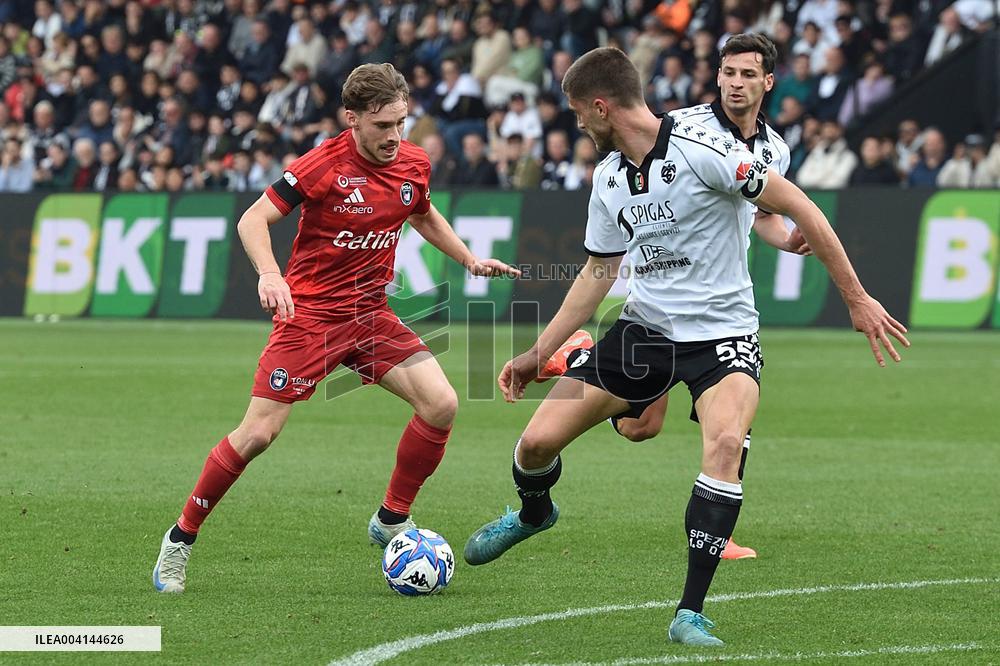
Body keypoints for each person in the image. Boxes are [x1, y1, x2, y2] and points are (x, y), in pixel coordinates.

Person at [463, 46, 908, 647]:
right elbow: (598, 273)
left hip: (724, 334)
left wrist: (855, 297)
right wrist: (533, 353)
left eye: (577, 114)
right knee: (535, 446)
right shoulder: (609, 176)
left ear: (601, 107)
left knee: (726, 444)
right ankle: (536, 512)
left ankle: (689, 612)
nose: (575, 126)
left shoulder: (707, 151)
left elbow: (797, 204)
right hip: (645, 330)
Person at [153, 63, 519, 594]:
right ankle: (179, 541)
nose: (395, 137)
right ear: (352, 119)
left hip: (371, 315)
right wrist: (271, 275)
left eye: (401, 122)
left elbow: (420, 212)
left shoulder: (413, 162)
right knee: (258, 433)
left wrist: (467, 259)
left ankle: (391, 518)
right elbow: (252, 220)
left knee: (442, 404)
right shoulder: (323, 164)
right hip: (312, 317)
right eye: (382, 126)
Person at [547, 34, 812, 562]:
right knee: (641, 428)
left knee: (731, 419)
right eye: (728, 72)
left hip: (720, 308)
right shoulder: (692, 130)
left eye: (746, 74)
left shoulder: (774, 148)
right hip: (658, 308)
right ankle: (580, 359)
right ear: (717, 76)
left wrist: (789, 241)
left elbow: (764, 218)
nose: (735, 83)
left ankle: (721, 528)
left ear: (767, 82)